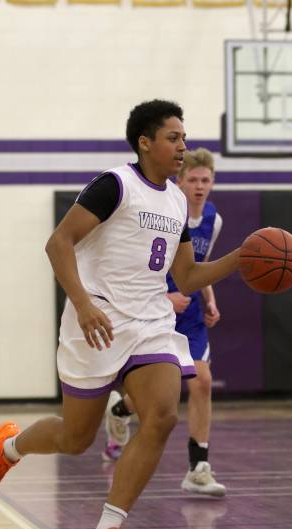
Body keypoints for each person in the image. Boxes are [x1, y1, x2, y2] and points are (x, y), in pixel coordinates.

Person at [0, 99, 241, 529]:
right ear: (146, 142)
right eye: (173, 138)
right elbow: (58, 243)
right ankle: (9, 448)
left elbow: (185, 273)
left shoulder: (178, 199)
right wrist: (81, 302)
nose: (182, 146)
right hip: (94, 318)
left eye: (183, 137)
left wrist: (241, 257)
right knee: (76, 439)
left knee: (161, 414)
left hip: (149, 323)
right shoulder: (114, 185)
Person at [102, 148, 226, 498]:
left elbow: (200, 265)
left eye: (205, 180)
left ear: (212, 182)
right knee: (161, 401)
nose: (199, 187)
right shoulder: (163, 211)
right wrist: (165, 298)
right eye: (193, 180)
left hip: (190, 315)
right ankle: (121, 407)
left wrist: (210, 299)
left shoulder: (213, 219)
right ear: (180, 180)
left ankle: (198, 467)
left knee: (201, 381)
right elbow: (139, 266)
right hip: (154, 309)